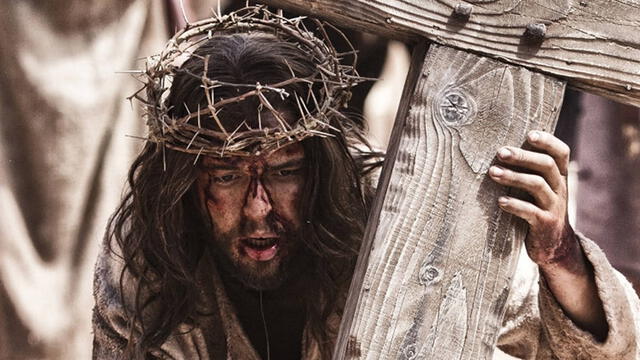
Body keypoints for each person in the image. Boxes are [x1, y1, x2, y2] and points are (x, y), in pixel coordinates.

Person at [92, 6, 640, 360]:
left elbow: (604, 352)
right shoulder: (147, 262)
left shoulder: (393, 215)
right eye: (228, 175)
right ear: (187, 183)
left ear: (323, 168)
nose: (258, 208)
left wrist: (561, 256)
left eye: (285, 171)